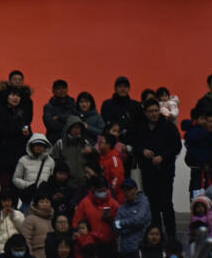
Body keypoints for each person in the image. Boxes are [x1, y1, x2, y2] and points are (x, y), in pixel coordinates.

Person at [128, 100, 180, 238]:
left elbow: (176, 146)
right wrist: (143, 151)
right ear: (145, 113)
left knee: (167, 204)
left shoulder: (168, 126)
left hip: (165, 171)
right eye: (150, 111)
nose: (154, 114)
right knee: (152, 204)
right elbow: (135, 146)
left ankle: (171, 235)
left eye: (156, 111)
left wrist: (163, 157)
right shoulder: (140, 128)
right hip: (148, 172)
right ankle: (156, 234)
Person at [0, 87, 31, 190]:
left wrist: (28, 133)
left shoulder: (22, 113)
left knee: (17, 186)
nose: (15, 98)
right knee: (4, 186)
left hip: (18, 154)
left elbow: (27, 129)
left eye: (18, 95)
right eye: (12, 95)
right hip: (3, 154)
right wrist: (19, 130)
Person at [73, 178, 120, 258]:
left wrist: (111, 219)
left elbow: (120, 223)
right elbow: (76, 222)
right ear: (93, 189)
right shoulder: (84, 203)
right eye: (99, 191)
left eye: (104, 190)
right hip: (90, 245)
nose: (102, 193)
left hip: (109, 245)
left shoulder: (113, 204)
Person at [11, 135, 54, 207]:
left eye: (41, 145)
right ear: (31, 146)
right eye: (36, 145)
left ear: (45, 147)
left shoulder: (50, 161)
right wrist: (27, 185)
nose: (39, 147)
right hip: (28, 197)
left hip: (43, 198)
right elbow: (15, 179)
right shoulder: (23, 160)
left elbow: (51, 177)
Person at [50, 117, 91, 191]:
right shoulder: (60, 143)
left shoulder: (85, 143)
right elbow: (54, 163)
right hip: (66, 185)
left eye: (79, 128)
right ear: (69, 128)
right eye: (75, 128)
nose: (77, 130)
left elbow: (91, 162)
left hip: (84, 184)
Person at [113, 180, 150, 258]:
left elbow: (139, 220)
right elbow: (115, 227)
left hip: (139, 248)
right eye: (125, 190)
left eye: (129, 189)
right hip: (124, 250)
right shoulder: (122, 208)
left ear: (135, 189)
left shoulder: (143, 204)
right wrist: (134, 226)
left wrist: (121, 224)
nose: (127, 192)